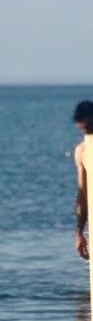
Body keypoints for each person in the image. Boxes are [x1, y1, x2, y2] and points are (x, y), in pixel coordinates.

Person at [73, 101, 93, 260]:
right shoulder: (82, 150)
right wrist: (80, 231)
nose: (87, 133)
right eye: (83, 130)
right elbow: (82, 193)